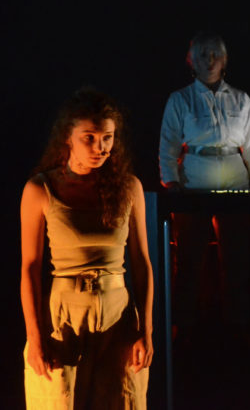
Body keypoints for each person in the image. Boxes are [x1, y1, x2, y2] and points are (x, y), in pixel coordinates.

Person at [20, 87, 153, 409]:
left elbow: (141, 262)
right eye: (89, 138)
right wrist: (35, 338)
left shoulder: (129, 187)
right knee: (60, 400)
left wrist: (146, 331)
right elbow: (30, 267)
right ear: (68, 137)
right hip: (65, 314)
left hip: (117, 310)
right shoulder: (41, 188)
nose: (100, 147)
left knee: (123, 400)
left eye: (107, 137)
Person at [159, 31, 250, 341]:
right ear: (191, 61)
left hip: (236, 182)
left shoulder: (241, 99)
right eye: (202, 54)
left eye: (214, 54)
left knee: (237, 259)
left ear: (224, 60)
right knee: (189, 259)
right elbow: (168, 143)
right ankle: (184, 329)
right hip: (193, 183)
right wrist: (171, 182)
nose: (209, 60)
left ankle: (237, 327)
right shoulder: (180, 99)